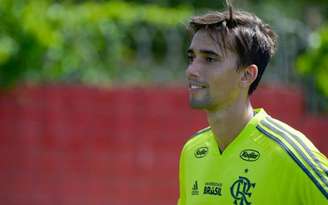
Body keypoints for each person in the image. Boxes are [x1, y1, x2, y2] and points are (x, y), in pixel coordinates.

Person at [178, 2, 328, 205]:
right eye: (191, 58)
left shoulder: (287, 152)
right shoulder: (192, 151)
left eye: (210, 59)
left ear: (247, 75)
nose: (191, 70)